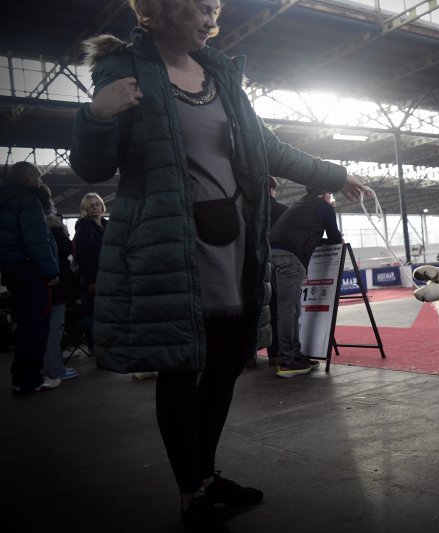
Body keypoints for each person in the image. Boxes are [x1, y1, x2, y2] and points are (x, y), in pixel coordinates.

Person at [68, 1, 370, 531]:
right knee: (182, 366)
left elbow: (267, 147)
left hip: (235, 239)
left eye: (215, 9)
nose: (211, 19)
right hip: (171, 243)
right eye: (200, 9)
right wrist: (96, 116)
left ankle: (204, 476)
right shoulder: (126, 71)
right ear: (162, 12)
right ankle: (192, 490)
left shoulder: (219, 75)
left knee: (228, 361)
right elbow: (92, 166)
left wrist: (334, 172)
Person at [0, 162, 61, 393]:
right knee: (36, 326)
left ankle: (20, 378)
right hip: (32, 273)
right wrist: (51, 271)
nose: (39, 179)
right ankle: (31, 380)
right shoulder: (28, 200)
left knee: (23, 327)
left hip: (12, 271)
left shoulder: (5, 200)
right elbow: (37, 241)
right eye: (36, 175)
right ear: (28, 176)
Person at [269, 186, 342, 378]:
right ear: (325, 194)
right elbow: (335, 238)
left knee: (290, 308)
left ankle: (295, 356)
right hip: (290, 258)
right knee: (287, 309)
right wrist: (330, 213)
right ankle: (287, 361)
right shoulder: (323, 208)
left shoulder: (298, 205)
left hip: (271, 255)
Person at [43, 212, 79, 382]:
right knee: (55, 330)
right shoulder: (59, 237)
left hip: (45, 290)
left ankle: (48, 368)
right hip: (58, 290)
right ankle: (56, 368)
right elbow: (69, 255)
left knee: (47, 330)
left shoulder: (44, 238)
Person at [73, 192, 107, 338]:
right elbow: (83, 257)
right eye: (91, 205)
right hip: (94, 279)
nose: (95, 207)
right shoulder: (84, 228)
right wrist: (91, 280)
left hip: (109, 276)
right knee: (98, 317)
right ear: (85, 209)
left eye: (97, 204)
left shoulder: (107, 225)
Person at [264, 176, 288, 366]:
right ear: (272, 189)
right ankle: (276, 352)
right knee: (277, 306)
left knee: (254, 308)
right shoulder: (284, 211)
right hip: (277, 263)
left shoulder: (248, 211)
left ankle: (249, 355)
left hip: (251, 263)